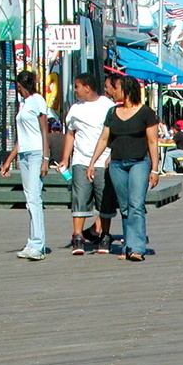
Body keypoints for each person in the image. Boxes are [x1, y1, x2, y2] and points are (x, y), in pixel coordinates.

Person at [87, 75, 158, 262]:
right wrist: (93, 162)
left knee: (136, 204)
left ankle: (137, 248)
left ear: (126, 90)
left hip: (139, 163)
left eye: (116, 88)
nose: (113, 92)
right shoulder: (112, 112)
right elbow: (104, 138)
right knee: (125, 207)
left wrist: (155, 169)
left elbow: (152, 142)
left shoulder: (146, 113)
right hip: (117, 164)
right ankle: (128, 245)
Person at [61, 73, 117, 255]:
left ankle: (104, 235)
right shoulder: (75, 109)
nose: (74, 90)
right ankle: (77, 236)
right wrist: (65, 158)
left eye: (76, 86)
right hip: (81, 160)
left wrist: (112, 155)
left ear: (87, 87)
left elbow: (113, 133)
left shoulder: (108, 106)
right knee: (80, 197)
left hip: (103, 160)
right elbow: (71, 134)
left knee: (104, 199)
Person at [0, 70, 51, 261]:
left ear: (21, 85)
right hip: (24, 153)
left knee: (35, 197)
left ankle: (38, 244)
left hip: (37, 153)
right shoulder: (24, 104)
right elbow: (21, 138)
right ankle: (32, 242)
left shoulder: (37, 100)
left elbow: (44, 131)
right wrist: (8, 161)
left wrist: (46, 158)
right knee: (29, 198)